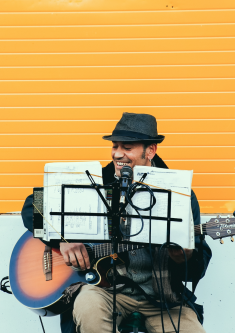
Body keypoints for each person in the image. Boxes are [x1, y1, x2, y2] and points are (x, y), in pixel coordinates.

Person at [21, 112, 212, 333]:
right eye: (115, 146)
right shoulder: (96, 181)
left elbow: (197, 267)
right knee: (87, 308)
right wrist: (63, 238)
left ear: (150, 150)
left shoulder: (180, 195)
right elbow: (32, 205)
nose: (117, 154)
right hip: (103, 289)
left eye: (127, 147)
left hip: (161, 298)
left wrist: (183, 258)